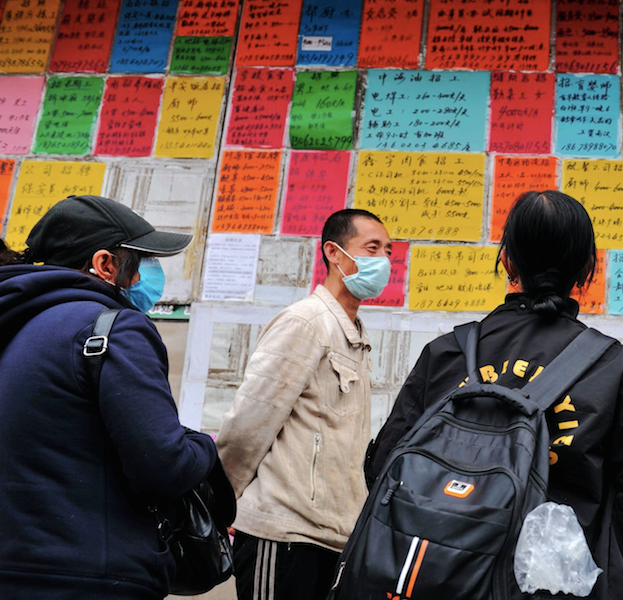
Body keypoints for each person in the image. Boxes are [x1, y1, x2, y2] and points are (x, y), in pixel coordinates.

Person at [366, 191, 623, 600]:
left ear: (506, 261)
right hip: (558, 587)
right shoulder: (615, 370)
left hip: (437, 578)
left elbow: (384, 468)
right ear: (587, 268)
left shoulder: (447, 354)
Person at [0, 195, 218, 599]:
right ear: (105, 264)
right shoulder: (112, 329)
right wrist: (204, 446)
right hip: (88, 577)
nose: (151, 274)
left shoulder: (15, 320)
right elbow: (164, 465)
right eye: (144, 260)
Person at [216, 209, 392, 600]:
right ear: (334, 252)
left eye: (388, 252)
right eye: (372, 248)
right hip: (283, 532)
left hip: (333, 537)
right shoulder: (306, 322)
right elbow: (249, 422)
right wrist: (223, 501)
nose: (383, 261)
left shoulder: (353, 334)